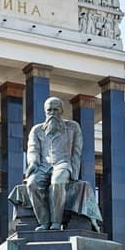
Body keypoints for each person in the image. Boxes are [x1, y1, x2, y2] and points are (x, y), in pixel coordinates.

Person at [25, 97, 82, 230]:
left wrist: (74, 172)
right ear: (45, 112)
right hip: (43, 166)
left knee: (57, 181)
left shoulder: (73, 127)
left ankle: (56, 222)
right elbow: (33, 149)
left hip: (63, 164)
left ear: (61, 110)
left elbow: (76, 151)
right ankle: (44, 222)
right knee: (32, 183)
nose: (52, 113)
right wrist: (33, 163)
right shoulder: (37, 130)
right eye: (49, 110)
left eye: (55, 109)